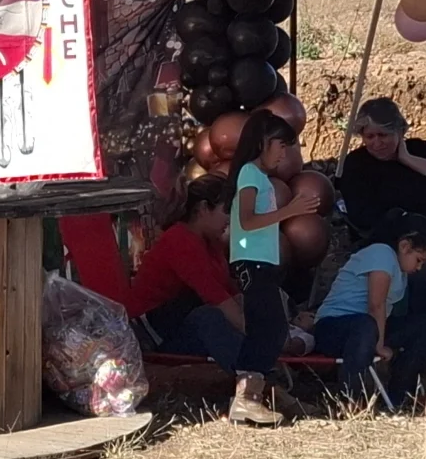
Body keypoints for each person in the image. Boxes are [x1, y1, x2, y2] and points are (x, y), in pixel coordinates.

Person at [337, 97, 426, 367]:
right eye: (370, 136)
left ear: (400, 132)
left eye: (384, 135)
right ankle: (416, 341)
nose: (377, 143)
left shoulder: (418, 150)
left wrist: (408, 159)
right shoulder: (357, 165)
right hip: (393, 244)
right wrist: (416, 235)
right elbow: (362, 215)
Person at [227, 110, 320, 426]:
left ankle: (252, 395)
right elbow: (247, 220)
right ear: (263, 142)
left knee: (272, 327)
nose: (284, 153)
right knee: (267, 328)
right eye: (281, 144)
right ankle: (245, 397)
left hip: (261, 262)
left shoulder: (258, 177)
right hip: (251, 263)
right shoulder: (249, 175)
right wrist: (289, 210)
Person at [311, 212, 426, 405]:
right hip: (333, 328)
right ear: (405, 246)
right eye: (419, 260)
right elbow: (376, 304)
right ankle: (351, 399)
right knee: (366, 325)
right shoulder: (381, 254)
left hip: (367, 328)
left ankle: (400, 394)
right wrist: (379, 345)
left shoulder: (399, 268)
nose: (419, 268)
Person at [126, 176, 244, 372]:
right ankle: (254, 379)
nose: (230, 219)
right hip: (153, 340)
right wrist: (260, 340)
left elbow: (231, 293)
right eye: (227, 210)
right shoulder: (180, 241)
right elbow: (218, 298)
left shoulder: (210, 244)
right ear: (204, 208)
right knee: (210, 317)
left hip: (177, 329)